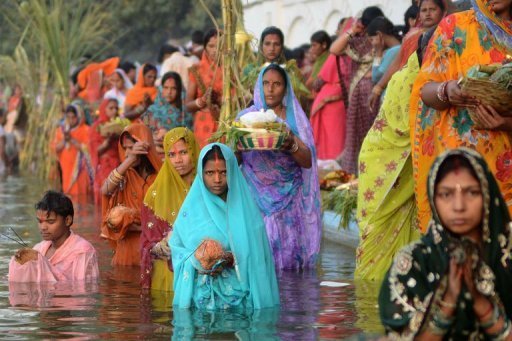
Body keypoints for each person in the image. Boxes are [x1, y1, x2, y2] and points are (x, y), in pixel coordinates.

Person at [379, 149, 512, 339]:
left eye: (472, 193)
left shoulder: (507, 257)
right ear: (434, 199)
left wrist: (479, 302)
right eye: (446, 194)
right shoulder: (413, 263)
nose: (459, 206)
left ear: (488, 195)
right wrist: (448, 299)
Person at [410, 0, 512, 232]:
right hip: (461, 165)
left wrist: (505, 123)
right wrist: (447, 90)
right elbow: (425, 90)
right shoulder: (456, 26)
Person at [355, 24, 442, 281]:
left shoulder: (434, 79)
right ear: (425, 52)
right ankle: (371, 298)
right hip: (385, 164)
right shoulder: (408, 80)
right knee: (377, 233)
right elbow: (409, 128)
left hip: (403, 165)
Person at [170, 143, 279, 310]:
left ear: (233, 172)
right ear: (201, 173)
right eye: (209, 173)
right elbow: (177, 248)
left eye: (223, 172)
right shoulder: (190, 210)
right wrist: (198, 259)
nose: (217, 180)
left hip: (241, 300)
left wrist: (229, 258)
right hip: (200, 301)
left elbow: (258, 258)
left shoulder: (248, 213)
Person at [237, 64, 321, 270]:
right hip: (255, 198)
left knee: (288, 262)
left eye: (277, 84)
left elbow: (307, 160)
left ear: (285, 89)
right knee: (257, 263)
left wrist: (290, 144)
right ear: (259, 86)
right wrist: (236, 148)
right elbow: (235, 158)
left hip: (289, 203)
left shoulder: (295, 120)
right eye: (266, 84)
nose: (271, 89)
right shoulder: (246, 119)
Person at [140, 127, 199, 291]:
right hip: (167, 275)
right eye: (171, 155)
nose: (178, 160)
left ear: (194, 150)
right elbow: (146, 240)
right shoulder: (155, 193)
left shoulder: (205, 187)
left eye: (183, 152)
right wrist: (159, 247)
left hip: (202, 268)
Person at [330, 6, 383, 174]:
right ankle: (357, 174)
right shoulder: (357, 41)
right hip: (357, 96)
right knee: (356, 137)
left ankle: (374, 171)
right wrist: (352, 31)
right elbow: (334, 49)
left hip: (375, 94)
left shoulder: (381, 40)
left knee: (374, 134)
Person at [100, 123, 162, 266]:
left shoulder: (160, 176)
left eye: (131, 147)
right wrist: (130, 159)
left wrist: (140, 227)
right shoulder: (124, 173)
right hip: (126, 251)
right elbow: (105, 190)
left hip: (153, 250)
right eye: (125, 148)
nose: (127, 152)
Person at [368, 0, 446, 112]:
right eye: (424, 10)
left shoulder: (448, 35)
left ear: (443, 12)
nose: (428, 14)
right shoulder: (412, 37)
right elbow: (397, 63)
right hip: (404, 98)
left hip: (433, 97)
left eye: (432, 9)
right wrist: (378, 88)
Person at [8, 190, 99, 282]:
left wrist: (43, 263)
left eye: (50, 221)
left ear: (67, 220)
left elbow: (82, 289)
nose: (43, 227)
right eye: (40, 221)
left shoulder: (83, 251)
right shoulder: (39, 248)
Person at [310, 18, 353, 161]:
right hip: (343, 100)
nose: (337, 32)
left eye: (340, 28)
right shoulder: (358, 52)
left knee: (332, 141)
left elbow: (318, 81)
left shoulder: (337, 54)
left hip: (332, 103)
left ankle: (333, 174)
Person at [242, 26, 309, 101]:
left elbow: (301, 98)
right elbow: (243, 97)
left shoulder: (291, 70)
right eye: (267, 44)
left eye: (276, 44)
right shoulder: (250, 70)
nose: (272, 48)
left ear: (282, 47)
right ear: (261, 46)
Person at [185, 28, 223, 148]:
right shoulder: (197, 70)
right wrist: (203, 100)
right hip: (204, 125)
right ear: (205, 47)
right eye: (210, 46)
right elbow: (188, 105)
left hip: (226, 123)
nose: (214, 50)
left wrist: (221, 101)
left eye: (218, 46)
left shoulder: (233, 71)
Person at [142, 72, 193, 158]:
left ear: (179, 90)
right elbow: (143, 131)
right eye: (166, 88)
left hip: (177, 156)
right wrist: (152, 138)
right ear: (161, 88)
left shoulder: (184, 114)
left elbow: (189, 137)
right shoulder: (151, 110)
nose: (169, 92)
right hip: (154, 155)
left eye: (173, 88)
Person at [51, 104, 93, 196]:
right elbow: (55, 148)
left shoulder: (86, 130)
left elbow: (87, 149)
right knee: (69, 194)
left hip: (81, 168)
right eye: (68, 117)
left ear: (79, 116)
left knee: (82, 194)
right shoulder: (61, 130)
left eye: (73, 117)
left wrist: (71, 140)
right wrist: (65, 139)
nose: (71, 120)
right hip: (66, 168)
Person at [89, 98, 121, 204]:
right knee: (105, 198)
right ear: (104, 109)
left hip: (119, 165)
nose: (114, 111)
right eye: (111, 108)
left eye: (116, 108)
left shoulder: (121, 124)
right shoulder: (96, 127)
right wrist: (107, 141)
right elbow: (95, 150)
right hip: (104, 167)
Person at [367, 17, 402, 94]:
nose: (372, 44)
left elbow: (376, 77)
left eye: (372, 39)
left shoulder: (393, 51)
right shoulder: (398, 47)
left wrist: (378, 52)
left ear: (379, 34)